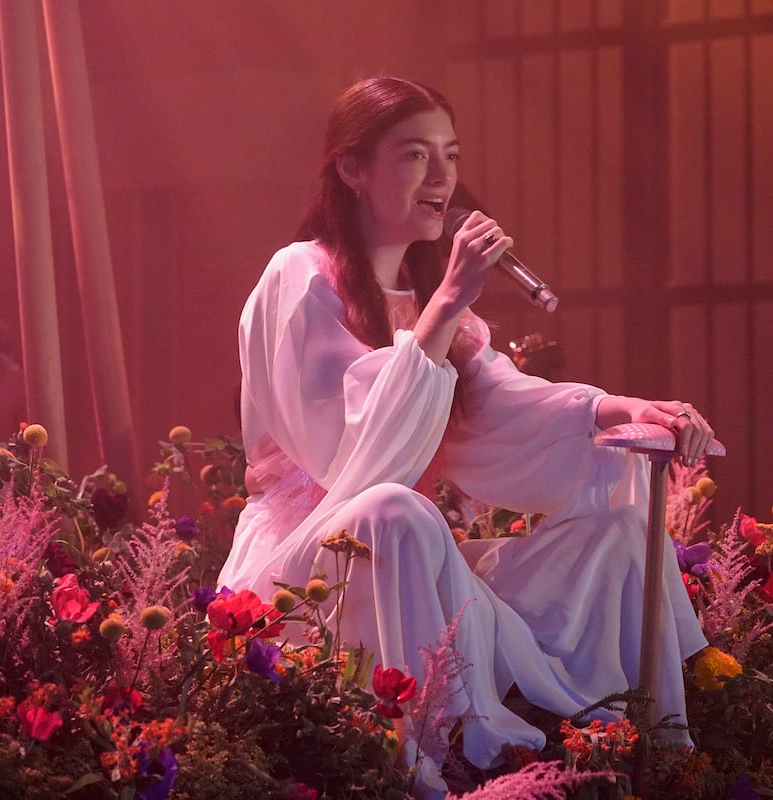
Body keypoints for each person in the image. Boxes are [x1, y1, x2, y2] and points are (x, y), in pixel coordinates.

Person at [217, 76, 712, 794]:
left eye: (449, 154)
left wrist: (622, 407)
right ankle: (428, 770)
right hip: (312, 571)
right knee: (395, 510)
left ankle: (650, 756)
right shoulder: (298, 278)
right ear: (352, 169)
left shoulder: (427, 301)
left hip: (408, 550)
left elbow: (504, 405)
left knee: (621, 537)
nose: (442, 178)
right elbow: (353, 454)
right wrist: (448, 302)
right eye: (414, 156)